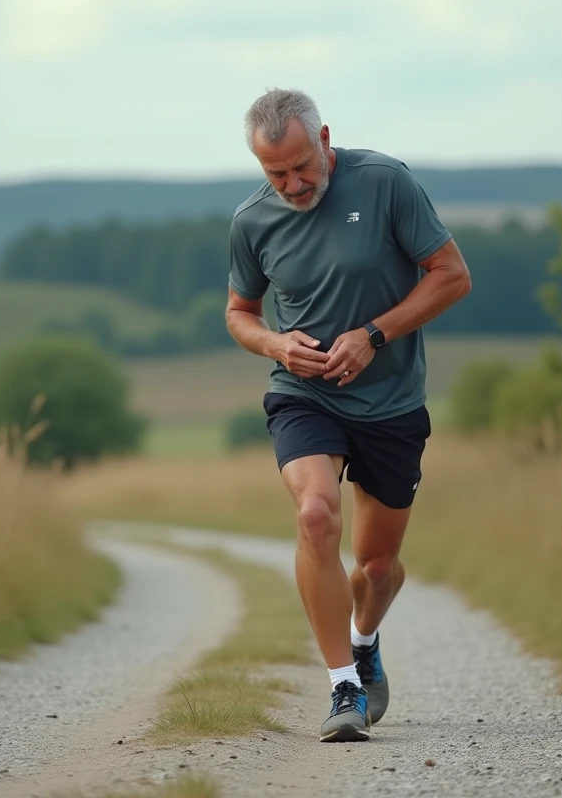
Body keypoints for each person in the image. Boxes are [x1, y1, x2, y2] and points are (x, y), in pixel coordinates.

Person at [224, 88, 472, 743]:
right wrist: (278, 344)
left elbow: (451, 275)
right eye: (275, 172)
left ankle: (365, 639)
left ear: (325, 139)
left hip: (391, 402)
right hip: (305, 396)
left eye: (302, 165)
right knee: (314, 515)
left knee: (379, 568)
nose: (293, 183)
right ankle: (343, 687)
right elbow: (239, 313)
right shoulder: (253, 221)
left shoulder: (385, 183)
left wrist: (374, 335)